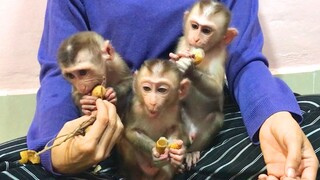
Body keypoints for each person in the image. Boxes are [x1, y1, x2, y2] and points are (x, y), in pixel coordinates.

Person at [0, 0, 318, 179]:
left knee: (301, 146)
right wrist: (57, 145)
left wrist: (272, 114)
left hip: (195, 124)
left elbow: (244, 60)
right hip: (112, 130)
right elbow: (61, 71)